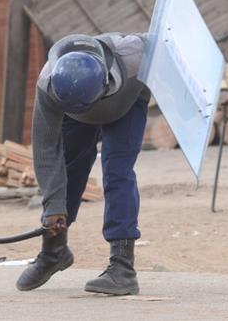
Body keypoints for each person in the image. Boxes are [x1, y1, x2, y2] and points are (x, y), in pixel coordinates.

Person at [17, 33, 149, 296]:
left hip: (126, 100)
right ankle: (55, 251)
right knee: (69, 165)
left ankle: (122, 268)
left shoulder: (136, 56)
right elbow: (45, 150)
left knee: (117, 171)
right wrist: (53, 208)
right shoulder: (49, 85)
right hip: (74, 109)